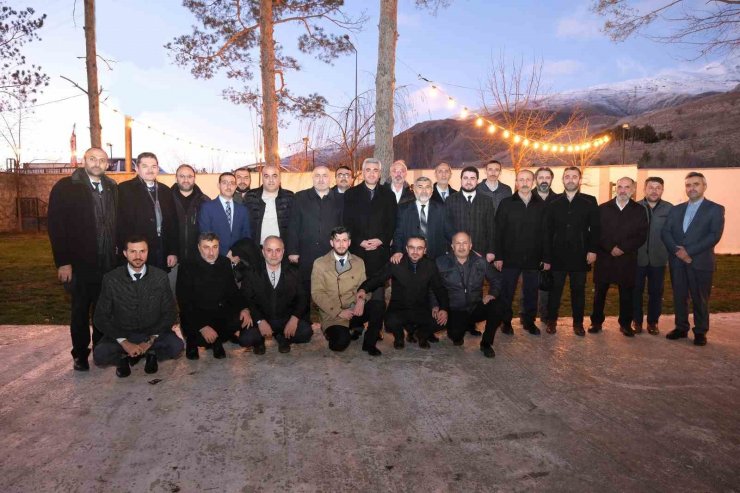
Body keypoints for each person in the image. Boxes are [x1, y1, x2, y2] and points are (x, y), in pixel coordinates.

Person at [48, 147, 118, 371]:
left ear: (107, 164)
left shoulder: (112, 187)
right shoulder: (66, 187)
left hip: (107, 263)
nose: (97, 163)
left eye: (102, 160)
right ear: (84, 160)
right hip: (79, 264)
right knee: (79, 311)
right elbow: (56, 227)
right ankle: (80, 354)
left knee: (102, 309)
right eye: (92, 159)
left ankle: (100, 349)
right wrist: (63, 261)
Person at [93, 236, 183, 378]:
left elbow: (171, 312)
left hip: (152, 332)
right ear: (125, 253)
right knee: (99, 354)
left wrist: (149, 341)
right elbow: (100, 317)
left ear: (148, 252)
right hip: (123, 332)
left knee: (177, 346)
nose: (138, 256)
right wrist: (124, 342)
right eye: (133, 252)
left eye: (142, 251)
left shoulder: (160, 277)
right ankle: (123, 357)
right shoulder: (111, 279)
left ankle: (151, 353)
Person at [662, 172, 725, 346]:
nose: (692, 188)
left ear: (704, 186)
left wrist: (688, 252)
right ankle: (681, 328)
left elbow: (714, 236)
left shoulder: (715, 209)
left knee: (700, 298)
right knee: (679, 296)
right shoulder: (676, 209)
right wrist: (677, 251)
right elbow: (666, 232)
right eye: (688, 185)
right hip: (677, 262)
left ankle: (700, 331)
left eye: (696, 184)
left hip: (700, 262)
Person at [359, 236, 449, 350]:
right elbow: (378, 278)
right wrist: (363, 289)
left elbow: (439, 289)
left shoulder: (430, 265)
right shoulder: (396, 263)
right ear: (406, 248)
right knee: (390, 322)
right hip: (399, 308)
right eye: (412, 248)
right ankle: (399, 337)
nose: (415, 252)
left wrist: (444, 309)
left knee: (443, 321)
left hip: (421, 308)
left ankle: (421, 334)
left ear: (425, 250)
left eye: (419, 248)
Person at [343, 158, 397, 338]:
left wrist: (382, 239)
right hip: (358, 252)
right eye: (368, 169)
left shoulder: (388, 195)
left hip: (379, 252)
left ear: (380, 173)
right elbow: (346, 222)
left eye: (375, 170)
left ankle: (376, 328)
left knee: (378, 292)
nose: (372, 173)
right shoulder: (351, 194)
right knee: (357, 288)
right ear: (362, 171)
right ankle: (357, 325)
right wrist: (359, 241)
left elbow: (392, 222)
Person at [543, 167, 600, 336]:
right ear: (562, 180)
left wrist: (592, 250)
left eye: (574, 177)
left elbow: (596, 229)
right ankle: (551, 321)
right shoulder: (553, 202)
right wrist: (547, 256)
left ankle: (578, 323)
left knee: (578, 292)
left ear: (580, 180)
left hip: (580, 254)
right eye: (567, 176)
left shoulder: (590, 201)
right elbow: (547, 231)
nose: (570, 179)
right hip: (557, 254)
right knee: (555, 291)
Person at [176, 233, 250, 360]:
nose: (211, 252)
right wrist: (202, 326)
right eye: (206, 247)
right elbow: (184, 301)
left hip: (218, 312)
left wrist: (244, 308)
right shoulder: (187, 265)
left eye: (215, 247)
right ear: (199, 248)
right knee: (198, 335)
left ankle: (218, 339)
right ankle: (194, 342)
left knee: (243, 319)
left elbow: (233, 291)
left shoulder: (224, 262)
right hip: (197, 313)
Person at [589, 177, 648, 336]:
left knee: (626, 294)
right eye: (620, 187)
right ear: (616, 189)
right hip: (605, 258)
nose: (622, 190)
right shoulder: (603, 208)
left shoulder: (639, 210)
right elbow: (596, 232)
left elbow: (641, 235)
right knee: (600, 293)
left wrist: (623, 248)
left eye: (627, 187)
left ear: (633, 190)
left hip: (627, 258)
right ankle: (596, 322)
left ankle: (625, 324)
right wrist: (610, 247)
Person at [311, 226, 384, 354]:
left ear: (349, 242)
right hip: (333, 315)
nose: (341, 244)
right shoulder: (320, 263)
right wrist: (339, 312)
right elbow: (317, 294)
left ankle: (369, 343)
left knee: (378, 305)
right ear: (331, 242)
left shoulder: (358, 262)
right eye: (337, 240)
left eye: (344, 240)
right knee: (339, 344)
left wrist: (361, 300)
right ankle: (336, 332)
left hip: (354, 310)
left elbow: (364, 287)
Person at [494, 169, 548, 335]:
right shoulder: (506, 203)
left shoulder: (541, 205)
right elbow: (498, 231)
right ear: (516, 182)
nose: (524, 183)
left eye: (528, 180)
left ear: (533, 182)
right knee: (507, 292)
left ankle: (529, 321)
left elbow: (546, 233)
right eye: (521, 180)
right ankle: (506, 322)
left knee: (531, 291)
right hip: (510, 257)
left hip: (533, 257)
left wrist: (546, 257)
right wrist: (499, 256)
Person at [445, 166, 497, 336]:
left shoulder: (486, 201)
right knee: (458, 286)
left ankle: (471, 323)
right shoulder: (451, 200)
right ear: (460, 180)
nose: (468, 181)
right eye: (465, 178)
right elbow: (447, 227)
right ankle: (458, 320)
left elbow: (491, 228)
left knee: (475, 286)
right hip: (457, 253)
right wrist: (452, 249)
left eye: (472, 178)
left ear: (477, 180)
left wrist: (490, 251)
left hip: (479, 252)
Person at [435, 232, 505, 358]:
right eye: (458, 243)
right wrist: (437, 306)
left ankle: (486, 344)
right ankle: (460, 329)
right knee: (456, 337)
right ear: (452, 246)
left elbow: (496, 279)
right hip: (455, 309)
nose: (461, 246)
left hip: (475, 307)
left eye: (465, 243)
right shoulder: (441, 263)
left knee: (498, 306)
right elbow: (433, 288)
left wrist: (492, 294)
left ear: (471, 245)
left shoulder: (481, 262)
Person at [239, 236, 314, 354]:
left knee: (306, 332)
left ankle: (283, 337)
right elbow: (247, 298)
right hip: (262, 318)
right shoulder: (251, 272)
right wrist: (259, 321)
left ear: (283, 252)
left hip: (285, 319)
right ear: (263, 252)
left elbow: (302, 298)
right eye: (269, 250)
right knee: (245, 339)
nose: (274, 255)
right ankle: (259, 341)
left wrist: (294, 319)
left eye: (278, 250)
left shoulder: (293, 271)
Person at [286, 165, 344, 304]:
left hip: (331, 254)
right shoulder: (300, 197)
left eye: (324, 175)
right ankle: (306, 323)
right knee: (305, 292)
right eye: (317, 175)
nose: (321, 179)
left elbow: (343, 227)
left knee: (330, 290)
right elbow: (293, 225)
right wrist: (292, 251)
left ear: (330, 179)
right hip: (306, 254)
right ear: (312, 178)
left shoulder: (340, 199)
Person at [117, 152, 179, 271]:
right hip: (137, 250)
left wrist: (173, 251)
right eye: (145, 166)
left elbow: (173, 223)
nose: (150, 170)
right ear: (137, 168)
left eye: (154, 166)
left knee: (159, 284)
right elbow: (120, 224)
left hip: (162, 248)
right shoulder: (124, 189)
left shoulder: (166, 191)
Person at [633, 177, 673, 335]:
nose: (654, 190)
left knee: (656, 292)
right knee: (636, 291)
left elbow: (673, 233)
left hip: (659, 258)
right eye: (651, 187)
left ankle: (652, 322)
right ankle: (636, 321)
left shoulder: (670, 209)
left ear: (662, 190)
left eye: (658, 188)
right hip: (638, 258)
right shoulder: (635, 207)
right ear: (644, 189)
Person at [169, 164, 210, 293]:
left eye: (189, 176)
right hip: (172, 259)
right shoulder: (166, 199)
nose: (186, 180)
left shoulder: (205, 201)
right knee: (171, 297)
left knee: (197, 297)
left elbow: (209, 232)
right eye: (182, 176)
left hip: (198, 260)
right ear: (176, 178)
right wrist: (170, 251)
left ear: (194, 178)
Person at [527, 166, 559, 324]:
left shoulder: (558, 199)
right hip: (529, 249)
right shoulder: (526, 197)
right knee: (528, 285)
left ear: (551, 179)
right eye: (541, 177)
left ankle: (545, 316)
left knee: (547, 285)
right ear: (536, 179)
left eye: (547, 177)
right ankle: (526, 315)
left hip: (552, 249)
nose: (544, 180)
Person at [393, 176, 451, 262]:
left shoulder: (442, 209)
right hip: (410, 258)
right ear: (414, 190)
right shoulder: (403, 209)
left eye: (427, 187)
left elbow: (449, 232)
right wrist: (397, 251)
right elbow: (398, 233)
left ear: (432, 191)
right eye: (420, 187)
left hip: (436, 258)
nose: (424, 191)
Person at [198, 172, 251, 258]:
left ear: (235, 186)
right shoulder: (207, 207)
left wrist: (238, 253)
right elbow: (205, 234)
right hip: (216, 257)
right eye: (225, 182)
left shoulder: (242, 210)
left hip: (237, 258)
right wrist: (225, 253)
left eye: (232, 183)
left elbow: (246, 235)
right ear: (218, 185)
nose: (228, 186)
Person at [244, 164, 294, 245]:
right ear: (262, 178)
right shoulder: (251, 196)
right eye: (266, 176)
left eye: (274, 176)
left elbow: (295, 226)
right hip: (256, 250)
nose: (271, 180)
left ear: (280, 178)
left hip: (282, 250)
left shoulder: (289, 197)